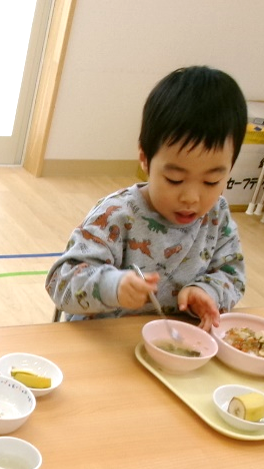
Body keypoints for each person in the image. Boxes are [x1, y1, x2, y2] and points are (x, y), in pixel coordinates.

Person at [45, 65, 248, 330]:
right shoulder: (117, 215)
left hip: (175, 345)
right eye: (175, 179)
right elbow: (61, 282)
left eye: (211, 181)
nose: (191, 198)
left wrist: (208, 291)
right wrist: (112, 286)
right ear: (144, 158)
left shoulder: (217, 215)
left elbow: (233, 274)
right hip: (104, 343)